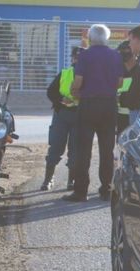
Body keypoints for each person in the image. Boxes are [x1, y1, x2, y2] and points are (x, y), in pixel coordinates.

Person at [63, 24, 124, 202]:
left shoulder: (85, 55)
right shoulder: (115, 56)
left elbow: (78, 81)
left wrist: (76, 92)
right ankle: (106, 189)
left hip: (88, 105)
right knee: (107, 150)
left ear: (90, 38)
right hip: (109, 105)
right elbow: (119, 82)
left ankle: (81, 191)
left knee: (83, 150)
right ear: (107, 38)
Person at [41, 46, 83, 191]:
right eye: (76, 58)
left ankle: (71, 180)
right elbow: (50, 91)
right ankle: (48, 179)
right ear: (72, 59)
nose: (77, 61)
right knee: (56, 147)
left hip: (80, 116)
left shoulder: (90, 76)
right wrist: (60, 99)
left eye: (80, 58)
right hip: (62, 115)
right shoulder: (65, 73)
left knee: (75, 150)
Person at [116, 40, 138, 136]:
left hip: (137, 114)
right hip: (121, 115)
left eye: (127, 51)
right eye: (122, 52)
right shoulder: (117, 69)